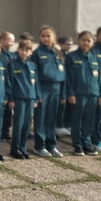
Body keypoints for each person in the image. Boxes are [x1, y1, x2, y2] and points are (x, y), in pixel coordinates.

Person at [65, 31, 101, 156]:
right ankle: (77, 145)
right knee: (77, 120)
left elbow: (100, 78)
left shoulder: (95, 58)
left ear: (92, 43)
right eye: (83, 40)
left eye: (88, 41)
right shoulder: (71, 57)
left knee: (89, 121)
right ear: (78, 41)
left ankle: (86, 144)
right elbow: (68, 77)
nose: (86, 43)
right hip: (78, 94)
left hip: (93, 93)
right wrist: (70, 93)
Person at [31, 25, 66, 158]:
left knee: (52, 118)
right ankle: (40, 146)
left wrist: (63, 93)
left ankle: (51, 145)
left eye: (48, 36)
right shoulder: (37, 53)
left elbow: (63, 75)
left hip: (56, 89)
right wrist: (37, 93)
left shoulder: (58, 53)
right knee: (40, 119)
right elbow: (34, 75)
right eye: (43, 36)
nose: (46, 38)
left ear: (54, 37)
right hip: (43, 89)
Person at [6, 39, 40, 160]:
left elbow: (35, 83)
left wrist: (36, 98)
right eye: (22, 49)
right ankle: (15, 148)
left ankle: (23, 147)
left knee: (27, 125)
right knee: (18, 124)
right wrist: (10, 98)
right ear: (18, 50)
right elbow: (9, 83)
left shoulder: (32, 65)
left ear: (30, 52)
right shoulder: (12, 64)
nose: (24, 52)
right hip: (19, 97)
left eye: (27, 50)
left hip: (30, 97)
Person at [55, 35, 74, 137]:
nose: (69, 46)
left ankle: (67, 124)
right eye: (67, 44)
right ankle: (58, 125)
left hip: (69, 82)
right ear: (61, 44)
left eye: (71, 44)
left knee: (69, 105)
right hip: (62, 82)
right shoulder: (59, 55)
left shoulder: (70, 56)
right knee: (61, 105)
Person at [0, 31, 15, 142]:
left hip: (11, 86)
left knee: (8, 112)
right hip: (3, 86)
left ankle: (6, 131)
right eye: (9, 40)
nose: (11, 43)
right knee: (1, 112)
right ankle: (0, 132)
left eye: (12, 41)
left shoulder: (12, 55)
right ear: (2, 40)